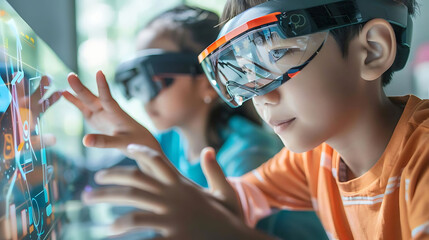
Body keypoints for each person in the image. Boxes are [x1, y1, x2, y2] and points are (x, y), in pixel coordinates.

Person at [65, 0, 429, 239]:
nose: (260, 94)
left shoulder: (423, 164)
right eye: (248, 72)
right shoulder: (313, 160)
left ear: (372, 50)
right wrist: (148, 150)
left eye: (281, 54)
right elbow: (227, 202)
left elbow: (221, 222)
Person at [113, 5, 284, 187]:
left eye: (156, 81)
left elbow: (229, 215)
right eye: (138, 83)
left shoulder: (249, 150)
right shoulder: (169, 139)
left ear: (208, 84)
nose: (145, 97)